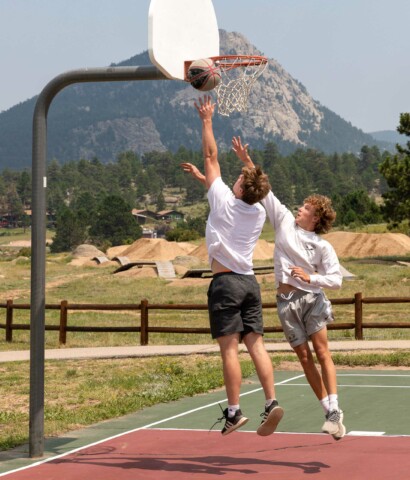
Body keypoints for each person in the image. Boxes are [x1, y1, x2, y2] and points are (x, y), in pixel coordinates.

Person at [180, 95, 284, 437]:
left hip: (225, 284)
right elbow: (253, 185)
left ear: (240, 187)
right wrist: (212, 175)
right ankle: (270, 402)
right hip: (250, 283)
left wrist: (207, 119)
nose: (236, 179)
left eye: (240, 178)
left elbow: (211, 156)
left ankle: (235, 412)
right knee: (256, 345)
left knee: (229, 349)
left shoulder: (224, 200)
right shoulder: (256, 211)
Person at [231, 136, 346, 440]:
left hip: (311, 299)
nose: (300, 207)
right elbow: (266, 192)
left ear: (316, 217)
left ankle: (335, 409)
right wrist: (246, 159)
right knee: (304, 358)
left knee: (322, 352)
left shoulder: (322, 247)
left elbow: (335, 280)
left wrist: (311, 279)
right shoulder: (283, 221)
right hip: (285, 302)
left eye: (306, 207)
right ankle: (328, 413)